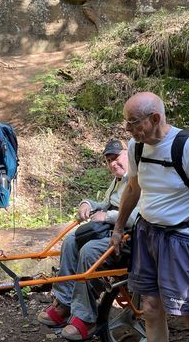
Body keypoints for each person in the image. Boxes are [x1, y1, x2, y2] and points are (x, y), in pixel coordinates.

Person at [111, 92, 189, 342]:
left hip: (183, 239)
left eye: (133, 121)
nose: (128, 129)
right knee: (150, 308)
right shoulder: (136, 146)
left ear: (154, 118)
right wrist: (118, 226)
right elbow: (133, 188)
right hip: (147, 233)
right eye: (126, 122)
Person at [37, 139, 139, 341]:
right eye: (109, 160)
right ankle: (65, 303)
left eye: (116, 158)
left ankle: (86, 318)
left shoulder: (139, 178)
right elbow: (104, 204)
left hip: (131, 237)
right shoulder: (118, 180)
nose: (112, 164)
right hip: (112, 231)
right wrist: (87, 204)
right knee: (70, 241)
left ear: (128, 154)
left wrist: (108, 216)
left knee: (89, 250)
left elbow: (140, 215)